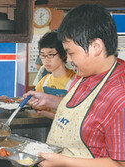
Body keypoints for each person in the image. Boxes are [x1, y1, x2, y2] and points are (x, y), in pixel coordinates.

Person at [24, 4, 125, 167]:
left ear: (96, 47)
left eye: (71, 53)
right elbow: (83, 110)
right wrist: (49, 100)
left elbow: (120, 164)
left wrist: (63, 162)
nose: (69, 60)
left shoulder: (120, 96)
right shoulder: (84, 72)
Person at [32, 31, 76, 119]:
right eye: (43, 55)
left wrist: (48, 114)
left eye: (50, 54)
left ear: (63, 55)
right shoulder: (44, 81)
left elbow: (74, 116)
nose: (46, 60)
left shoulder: (75, 81)